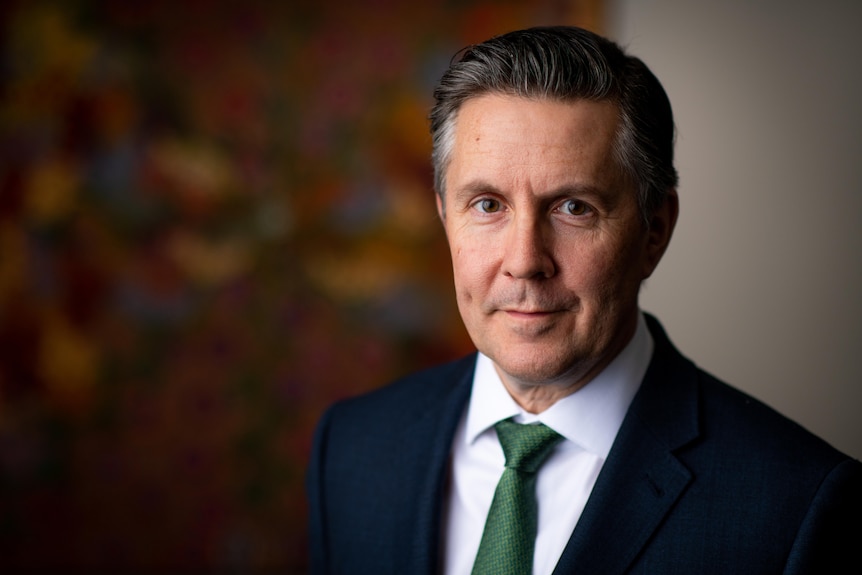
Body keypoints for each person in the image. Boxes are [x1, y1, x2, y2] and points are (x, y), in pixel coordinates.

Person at [306, 26, 861, 574]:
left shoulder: (797, 506)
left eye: (574, 208)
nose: (525, 260)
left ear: (654, 231)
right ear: (444, 215)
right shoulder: (351, 450)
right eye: (487, 205)